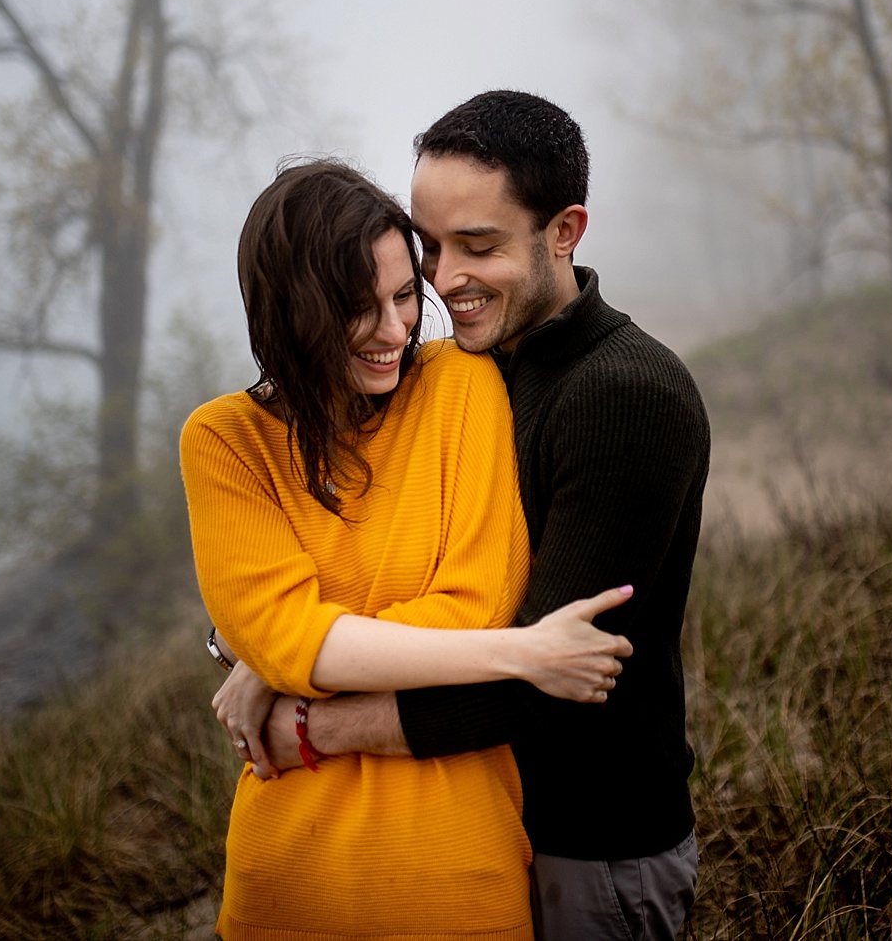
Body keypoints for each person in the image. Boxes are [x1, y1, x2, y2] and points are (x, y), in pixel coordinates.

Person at [229, 93, 712, 941]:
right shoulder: (459, 376)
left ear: (564, 230)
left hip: (590, 846)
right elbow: (380, 574)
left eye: (478, 246)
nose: (441, 279)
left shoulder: (623, 397)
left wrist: (310, 719)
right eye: (430, 245)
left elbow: (549, 680)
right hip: (475, 826)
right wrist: (258, 648)